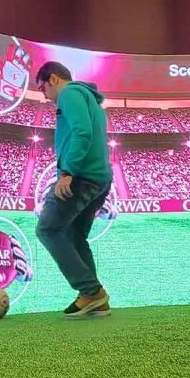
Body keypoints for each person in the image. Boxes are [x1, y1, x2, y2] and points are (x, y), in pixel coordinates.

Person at [35, 61, 113, 319]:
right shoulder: (90, 98)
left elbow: (82, 133)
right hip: (99, 178)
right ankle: (96, 300)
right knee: (75, 235)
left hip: (81, 176)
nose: (44, 95)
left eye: (43, 87)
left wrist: (67, 172)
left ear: (54, 79)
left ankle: (90, 291)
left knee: (47, 228)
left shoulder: (69, 94)